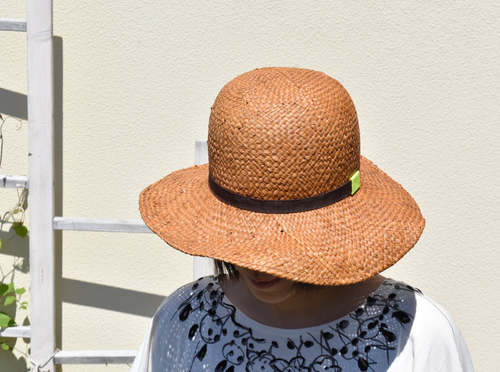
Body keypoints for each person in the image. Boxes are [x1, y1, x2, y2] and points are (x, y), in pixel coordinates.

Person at [132, 67, 473, 371]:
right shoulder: (184, 319)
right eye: (244, 237)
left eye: (279, 240)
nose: (257, 263)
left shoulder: (417, 333)